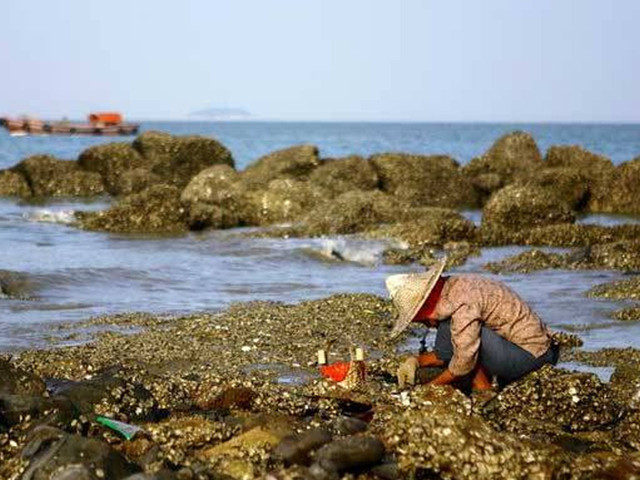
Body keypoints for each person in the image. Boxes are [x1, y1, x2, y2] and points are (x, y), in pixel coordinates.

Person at [386, 258, 559, 390]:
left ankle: (484, 391)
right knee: (458, 334)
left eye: (423, 321)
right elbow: (446, 352)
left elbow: (464, 361)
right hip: (524, 347)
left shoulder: (461, 304)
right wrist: (414, 361)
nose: (428, 326)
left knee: (465, 341)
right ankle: (483, 384)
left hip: (532, 356)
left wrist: (430, 388)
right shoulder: (453, 287)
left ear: (426, 307)